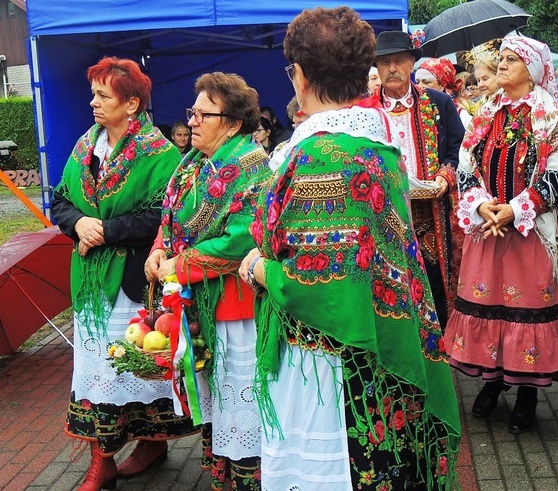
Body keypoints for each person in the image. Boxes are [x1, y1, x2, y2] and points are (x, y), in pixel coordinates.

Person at [238, 7, 460, 489]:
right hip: (370, 340)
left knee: (331, 470)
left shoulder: (324, 158)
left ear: (298, 75)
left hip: (331, 359)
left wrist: (257, 268)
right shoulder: (371, 144)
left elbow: (318, 282)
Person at [444, 35, 558, 434]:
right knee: (491, 307)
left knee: (526, 311)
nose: (502, 64)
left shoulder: (553, 115)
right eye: (501, 58)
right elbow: (466, 165)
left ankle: (527, 392)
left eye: (512, 59)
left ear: (532, 70)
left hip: (530, 233)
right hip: (488, 229)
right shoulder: (486, 112)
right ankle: (494, 380)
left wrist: (514, 209)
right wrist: (481, 205)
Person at [51, 56, 188, 491]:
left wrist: (105, 229)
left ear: (131, 105)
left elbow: (162, 217)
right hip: (90, 283)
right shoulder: (84, 146)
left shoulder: (159, 153)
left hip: (132, 280)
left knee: (134, 366)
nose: (92, 102)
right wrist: (77, 223)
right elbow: (59, 199)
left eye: (102, 95)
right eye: (94, 93)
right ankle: (103, 460)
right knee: (97, 370)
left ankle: (151, 443)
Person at [145, 71, 272, 490]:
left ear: (233, 122)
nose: (193, 121)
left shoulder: (252, 167)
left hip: (236, 306)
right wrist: (160, 248)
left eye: (203, 114)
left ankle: (251, 480)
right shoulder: (194, 162)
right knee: (219, 399)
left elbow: (241, 239)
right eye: (192, 113)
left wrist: (181, 264)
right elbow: (171, 216)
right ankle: (228, 478)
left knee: (242, 401)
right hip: (202, 301)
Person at [367, 30, 465, 329]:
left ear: (412, 64)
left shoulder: (438, 103)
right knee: (392, 284)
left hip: (430, 213)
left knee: (435, 283)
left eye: (399, 60)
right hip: (385, 214)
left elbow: (458, 149)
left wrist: (445, 178)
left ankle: (441, 351)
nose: (392, 68)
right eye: (385, 63)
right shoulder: (365, 111)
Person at [416, 57, 472, 127]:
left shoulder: (460, 115)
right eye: (417, 82)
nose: (420, 86)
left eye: (426, 82)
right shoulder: (414, 110)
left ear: (442, 85)